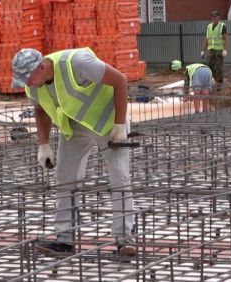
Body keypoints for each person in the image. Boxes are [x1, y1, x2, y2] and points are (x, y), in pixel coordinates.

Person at [12, 47, 137, 258]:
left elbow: (120, 81)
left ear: (41, 67)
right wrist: (43, 145)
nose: (27, 84)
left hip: (107, 122)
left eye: (29, 78)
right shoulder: (33, 85)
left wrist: (119, 124)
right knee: (65, 177)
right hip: (75, 125)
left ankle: (124, 239)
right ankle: (64, 239)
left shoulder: (78, 62)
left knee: (119, 177)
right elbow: (41, 110)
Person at [201, 10, 228, 85]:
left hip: (219, 50)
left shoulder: (222, 26)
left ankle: (219, 84)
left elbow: (226, 39)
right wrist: (203, 50)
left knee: (218, 67)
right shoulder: (209, 26)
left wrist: (225, 50)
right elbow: (207, 39)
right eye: (212, 16)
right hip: (211, 50)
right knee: (209, 66)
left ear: (218, 17)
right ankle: (215, 80)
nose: (213, 18)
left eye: (214, 17)